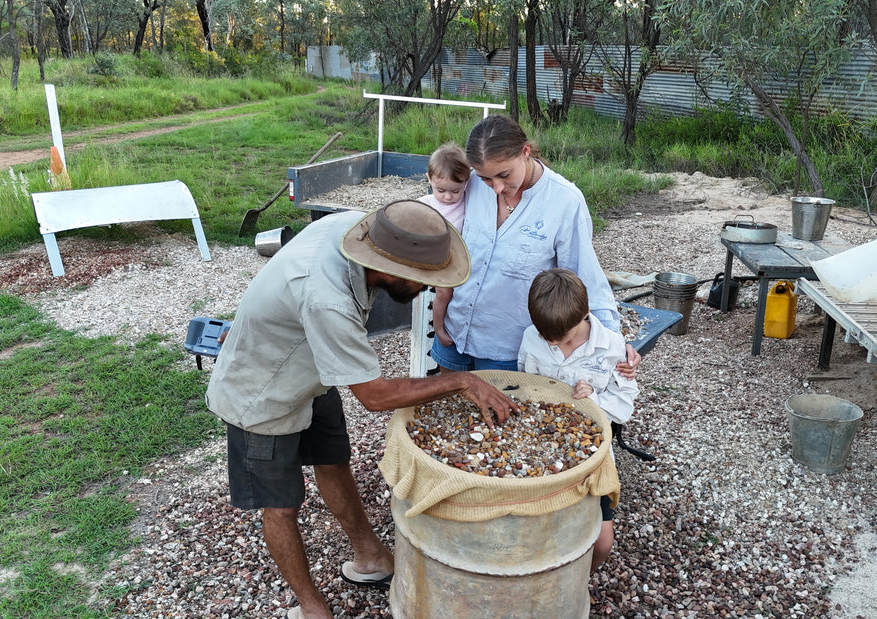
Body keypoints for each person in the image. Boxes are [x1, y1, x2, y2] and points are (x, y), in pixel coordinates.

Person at [205, 200, 521, 619]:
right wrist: (460, 379)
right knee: (280, 506)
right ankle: (313, 608)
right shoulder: (327, 299)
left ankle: (370, 558)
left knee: (334, 462)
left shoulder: (364, 228)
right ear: (390, 271)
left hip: (314, 370)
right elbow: (374, 397)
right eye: (423, 281)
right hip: (259, 390)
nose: (429, 289)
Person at [430, 114, 641, 375]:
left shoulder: (565, 201)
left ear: (525, 152)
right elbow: (437, 216)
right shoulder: (471, 183)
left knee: (496, 414)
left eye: (504, 175)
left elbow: (586, 279)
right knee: (449, 409)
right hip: (454, 330)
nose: (495, 187)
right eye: (486, 179)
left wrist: (614, 343)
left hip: (507, 347)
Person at [517, 268, 640, 572]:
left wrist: (592, 403)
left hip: (593, 459)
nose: (554, 344)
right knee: (538, 536)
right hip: (540, 454)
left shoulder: (611, 348)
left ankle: (579, 580)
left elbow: (623, 407)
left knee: (602, 543)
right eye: (547, 339)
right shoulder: (532, 337)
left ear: (585, 314)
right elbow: (523, 384)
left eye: (563, 338)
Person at [417, 143, 469, 352]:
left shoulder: (469, 201)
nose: (448, 197)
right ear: (429, 179)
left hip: (462, 260)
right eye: (441, 190)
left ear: (466, 182)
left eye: (455, 191)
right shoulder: (426, 203)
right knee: (444, 294)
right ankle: (438, 327)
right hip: (440, 262)